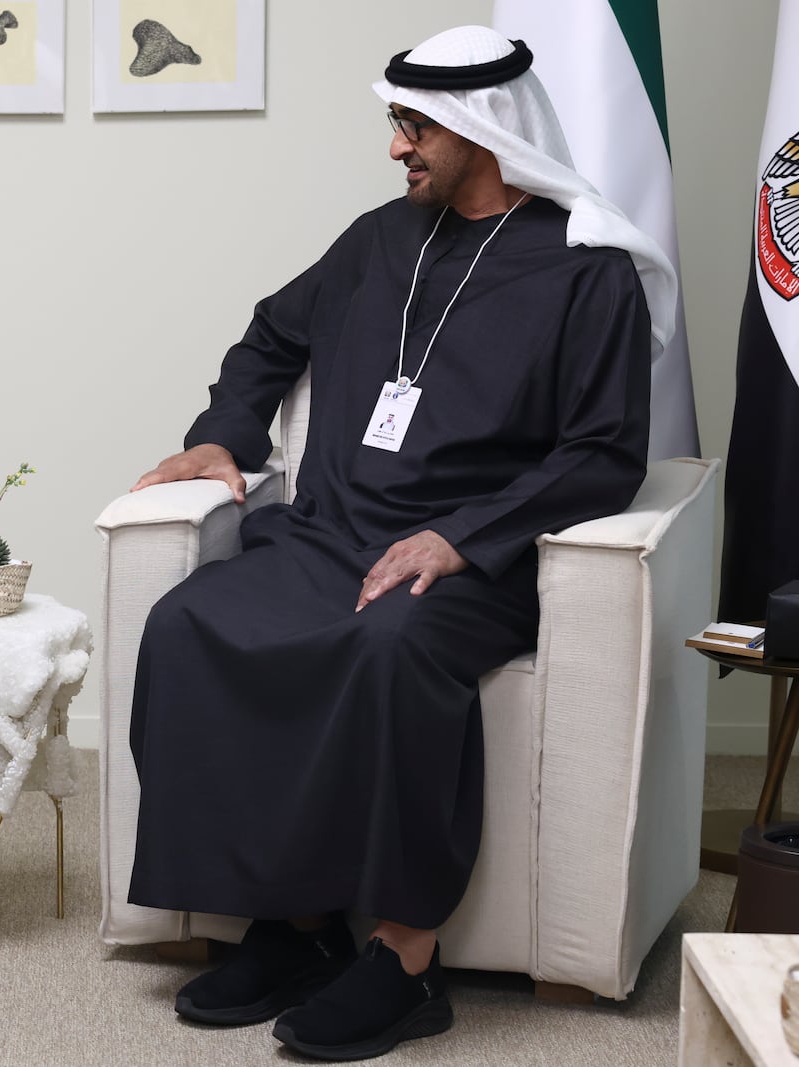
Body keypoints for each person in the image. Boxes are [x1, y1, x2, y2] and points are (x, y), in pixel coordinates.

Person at [125, 26, 675, 1062]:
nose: (397, 148)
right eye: (397, 123)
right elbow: (267, 336)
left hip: (479, 559)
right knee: (189, 622)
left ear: (483, 126)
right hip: (330, 533)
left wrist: (463, 537)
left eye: (415, 126)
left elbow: (603, 452)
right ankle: (288, 926)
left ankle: (401, 963)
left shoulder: (584, 269)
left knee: (387, 649)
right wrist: (222, 437)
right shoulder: (379, 239)